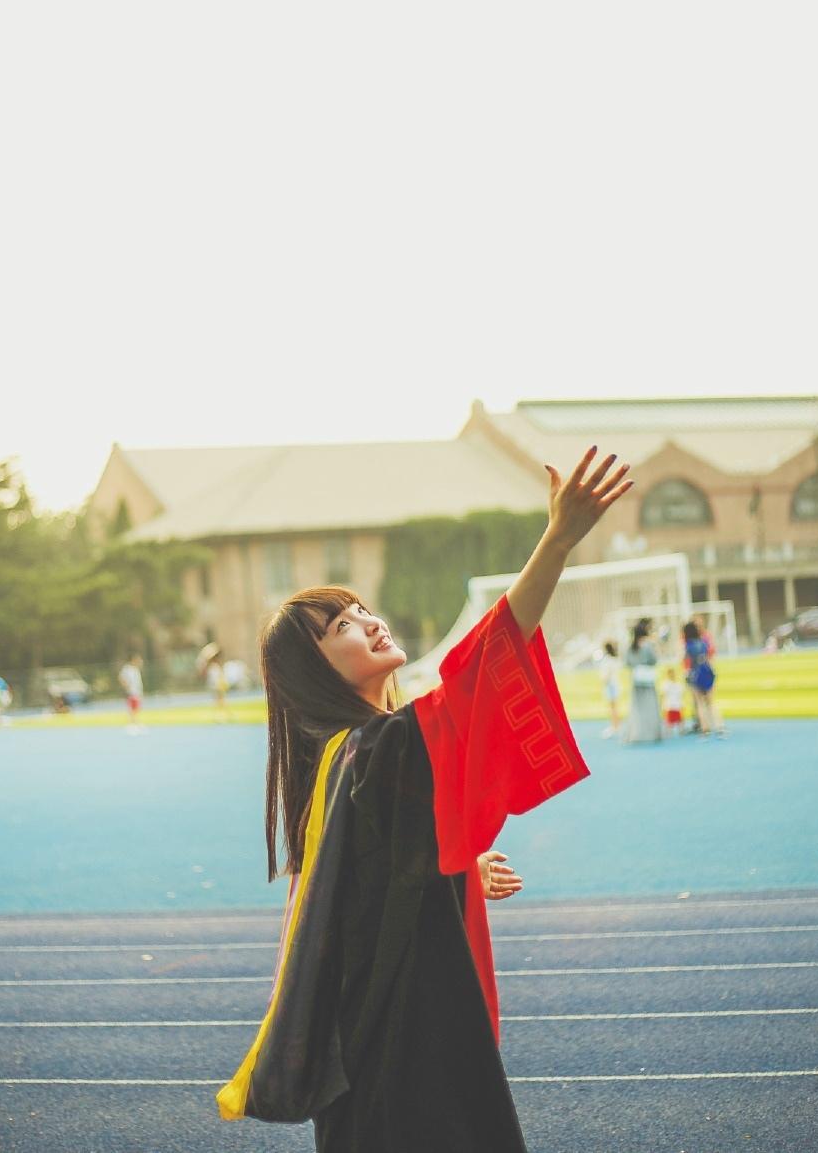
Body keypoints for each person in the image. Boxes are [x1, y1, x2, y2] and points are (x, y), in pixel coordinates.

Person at [217, 446, 632, 1151]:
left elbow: (370, 879)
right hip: (404, 1048)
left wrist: (457, 867)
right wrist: (557, 541)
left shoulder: (350, 759)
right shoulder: (369, 753)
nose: (368, 620)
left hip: (389, 1040)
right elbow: (482, 670)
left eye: (360, 608)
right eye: (340, 626)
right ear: (309, 669)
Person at [624, 617, 663, 743]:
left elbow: (627, 663)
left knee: (637, 709)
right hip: (648, 681)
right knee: (651, 707)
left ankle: (636, 734)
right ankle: (653, 734)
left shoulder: (630, 647)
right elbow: (654, 661)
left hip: (636, 680)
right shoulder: (647, 646)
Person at [682, 620, 725, 736]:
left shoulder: (688, 646)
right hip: (707, 671)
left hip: (695, 673)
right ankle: (720, 726)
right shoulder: (703, 642)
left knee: (700, 702)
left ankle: (705, 729)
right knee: (711, 702)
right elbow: (709, 657)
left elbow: (687, 662)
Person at [599, 640, 622, 737]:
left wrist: (604, 680)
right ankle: (616, 725)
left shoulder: (608, 660)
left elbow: (606, 674)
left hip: (610, 685)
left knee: (612, 707)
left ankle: (614, 726)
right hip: (614, 684)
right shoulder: (615, 659)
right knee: (614, 707)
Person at [118, 652, 145, 732]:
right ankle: (131, 724)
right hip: (131, 692)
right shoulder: (127, 668)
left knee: (136, 708)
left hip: (137, 692)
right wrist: (126, 686)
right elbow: (121, 678)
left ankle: (135, 722)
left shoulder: (136, 669)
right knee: (132, 708)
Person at [662, 667, 684, 736]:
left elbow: (681, 693)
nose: (672, 675)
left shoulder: (678, 684)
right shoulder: (666, 684)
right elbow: (663, 694)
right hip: (670, 705)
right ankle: (668, 732)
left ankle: (681, 731)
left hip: (677, 704)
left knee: (679, 720)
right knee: (669, 721)